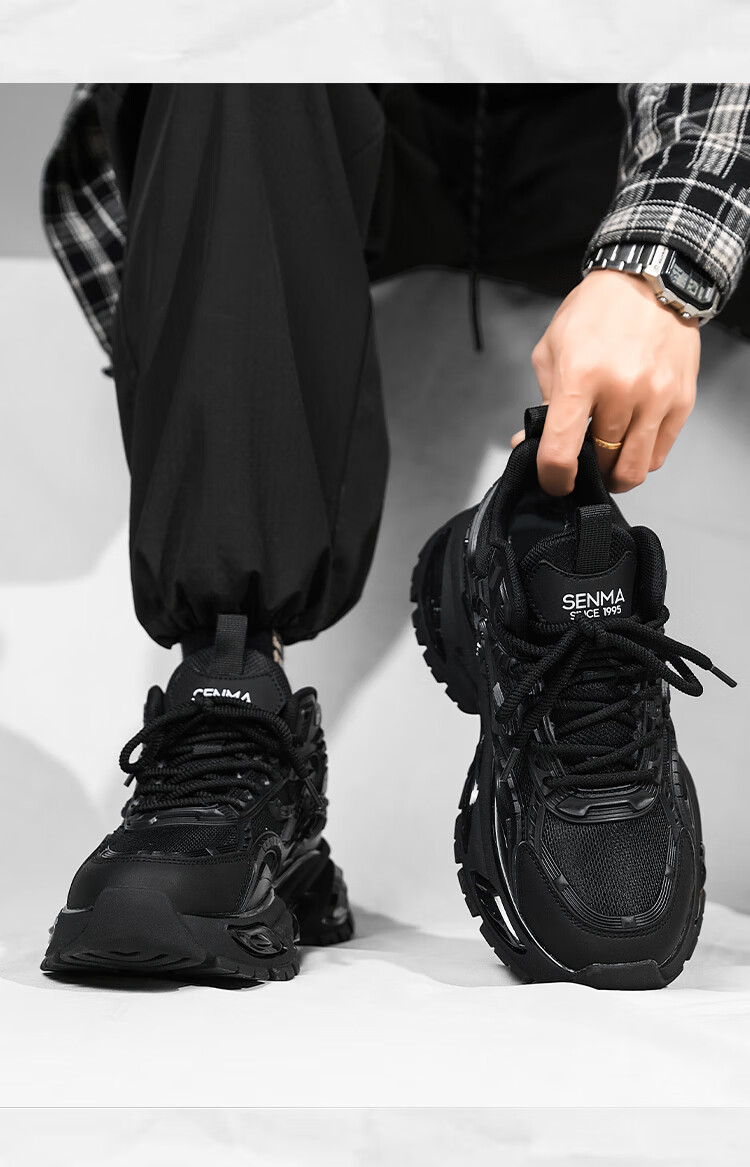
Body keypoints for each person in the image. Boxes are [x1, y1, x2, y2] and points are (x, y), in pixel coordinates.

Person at [39, 84, 747, 986]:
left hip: (617, 122)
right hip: (358, 121)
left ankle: (566, 593)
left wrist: (664, 260)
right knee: (242, 56)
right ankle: (233, 691)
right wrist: (218, 367)